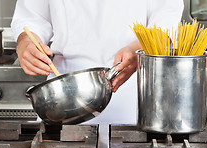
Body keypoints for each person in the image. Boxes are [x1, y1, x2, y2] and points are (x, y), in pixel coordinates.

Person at [11, 0, 184, 124]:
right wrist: (26, 42)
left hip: (130, 98)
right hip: (62, 100)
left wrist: (139, 49)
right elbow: (31, 18)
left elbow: (166, 21)